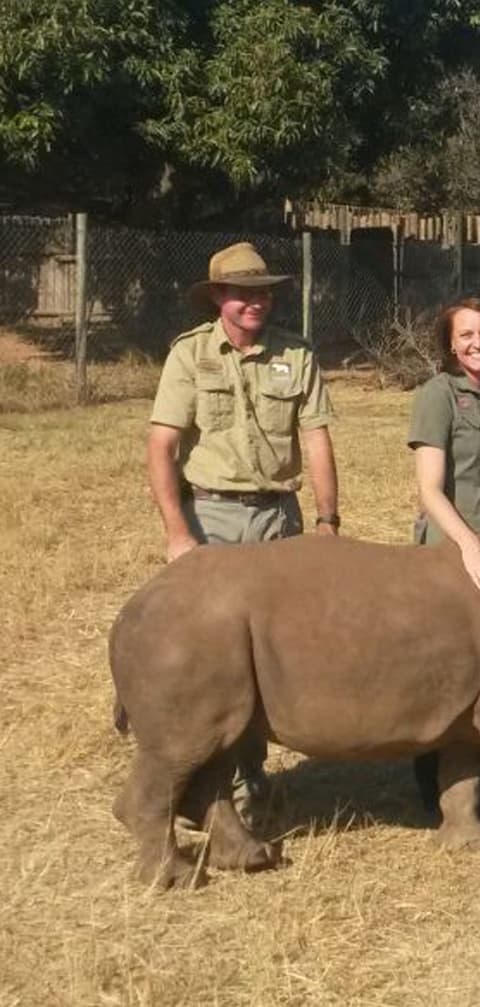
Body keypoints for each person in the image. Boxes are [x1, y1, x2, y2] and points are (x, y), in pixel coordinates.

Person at [146, 240, 340, 825]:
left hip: (279, 516)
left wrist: (328, 521)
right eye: (244, 292)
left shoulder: (296, 353)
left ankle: (252, 776)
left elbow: (317, 440)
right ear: (219, 298)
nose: (257, 301)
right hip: (214, 515)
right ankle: (200, 782)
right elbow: (162, 445)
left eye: (264, 291)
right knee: (210, 658)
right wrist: (179, 532)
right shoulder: (190, 355)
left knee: (278, 653)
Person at [406, 290, 480, 818]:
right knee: (446, 674)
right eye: (466, 335)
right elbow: (429, 489)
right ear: (450, 345)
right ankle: (439, 790)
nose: (478, 343)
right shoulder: (438, 395)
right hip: (453, 556)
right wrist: (469, 545)